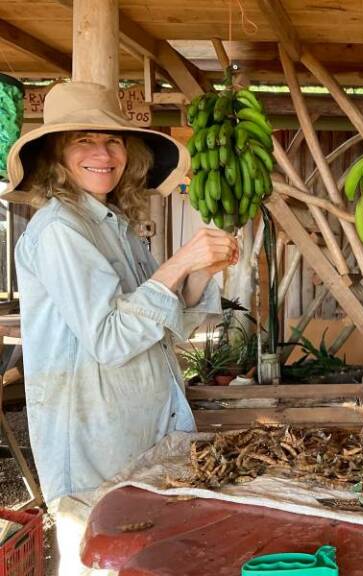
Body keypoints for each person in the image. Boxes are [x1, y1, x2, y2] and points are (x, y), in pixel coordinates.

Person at [2, 81, 239, 574]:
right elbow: (110, 339)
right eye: (82, 141)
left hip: (137, 436)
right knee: (102, 563)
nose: (102, 154)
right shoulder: (60, 229)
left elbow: (156, 324)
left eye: (112, 141)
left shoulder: (112, 226)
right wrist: (178, 263)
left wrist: (199, 273)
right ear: (54, 156)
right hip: (97, 445)